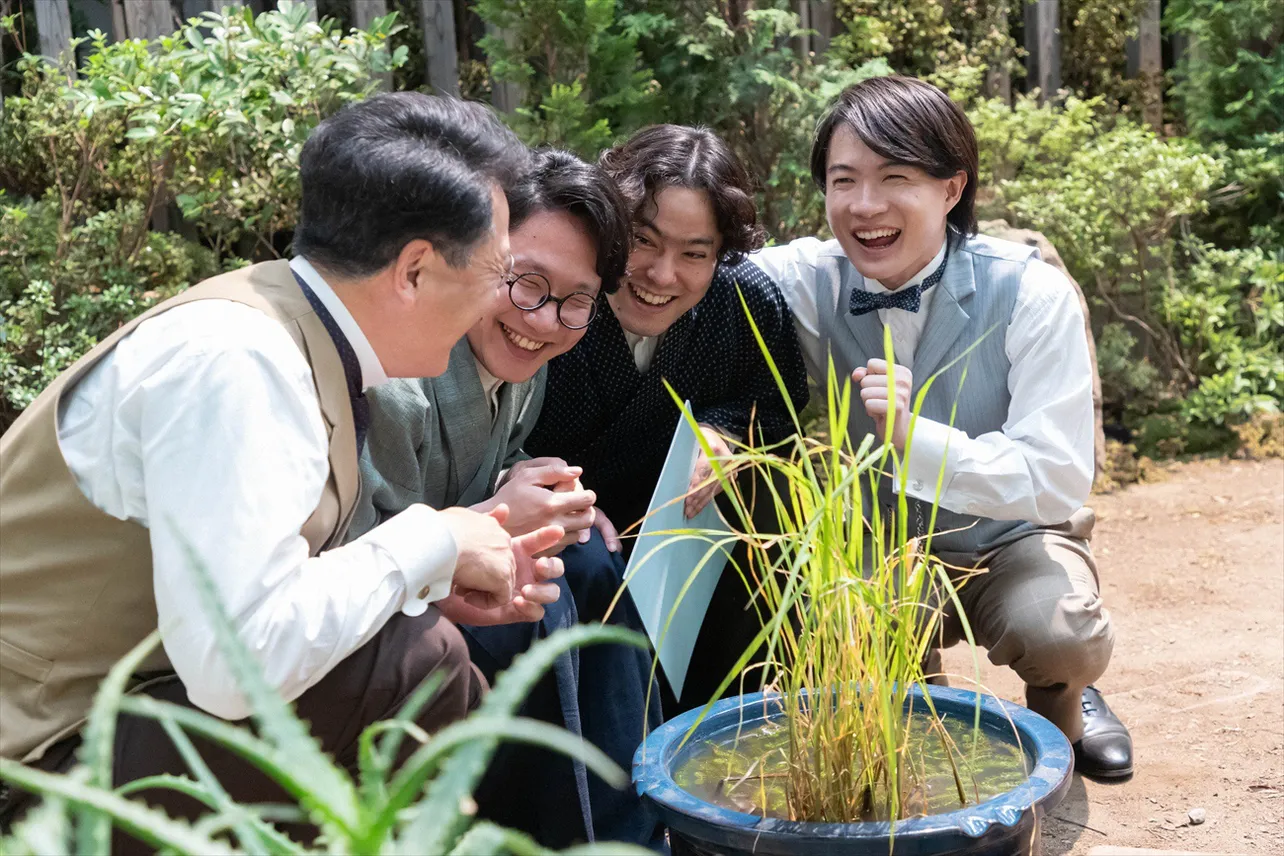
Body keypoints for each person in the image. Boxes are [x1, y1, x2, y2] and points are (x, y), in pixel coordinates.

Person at [0, 93, 567, 845]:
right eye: (501, 272)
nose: (506, 303)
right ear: (415, 271)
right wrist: (437, 538)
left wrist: (437, 581)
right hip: (40, 761)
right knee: (415, 666)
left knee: (423, 650)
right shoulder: (239, 362)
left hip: (118, 710)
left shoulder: (288, 332)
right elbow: (234, 663)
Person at [753, 75, 1134, 780]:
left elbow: (1057, 478)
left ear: (951, 189)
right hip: (878, 545)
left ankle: (1070, 704)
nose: (864, 206)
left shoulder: (1029, 290)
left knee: (1060, 633)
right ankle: (916, 692)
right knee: (864, 671)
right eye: (844, 180)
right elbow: (693, 274)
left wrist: (913, 437)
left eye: (894, 177)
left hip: (1012, 539)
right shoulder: (808, 279)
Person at [349, 149, 658, 846]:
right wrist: (495, 518)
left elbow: (494, 453)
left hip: (444, 574)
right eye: (526, 283)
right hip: (377, 615)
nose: (545, 320)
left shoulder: (522, 360)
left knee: (583, 551)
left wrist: (541, 485)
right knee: (540, 595)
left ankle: (633, 820)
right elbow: (361, 547)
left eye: (576, 301)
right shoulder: (406, 373)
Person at [525, 125, 811, 712]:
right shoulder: (551, 297)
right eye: (643, 241)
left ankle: (737, 720)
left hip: (686, 533)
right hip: (571, 532)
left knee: (769, 491)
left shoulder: (745, 300)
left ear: (722, 255)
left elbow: (777, 411)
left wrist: (721, 432)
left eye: (694, 254)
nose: (661, 274)